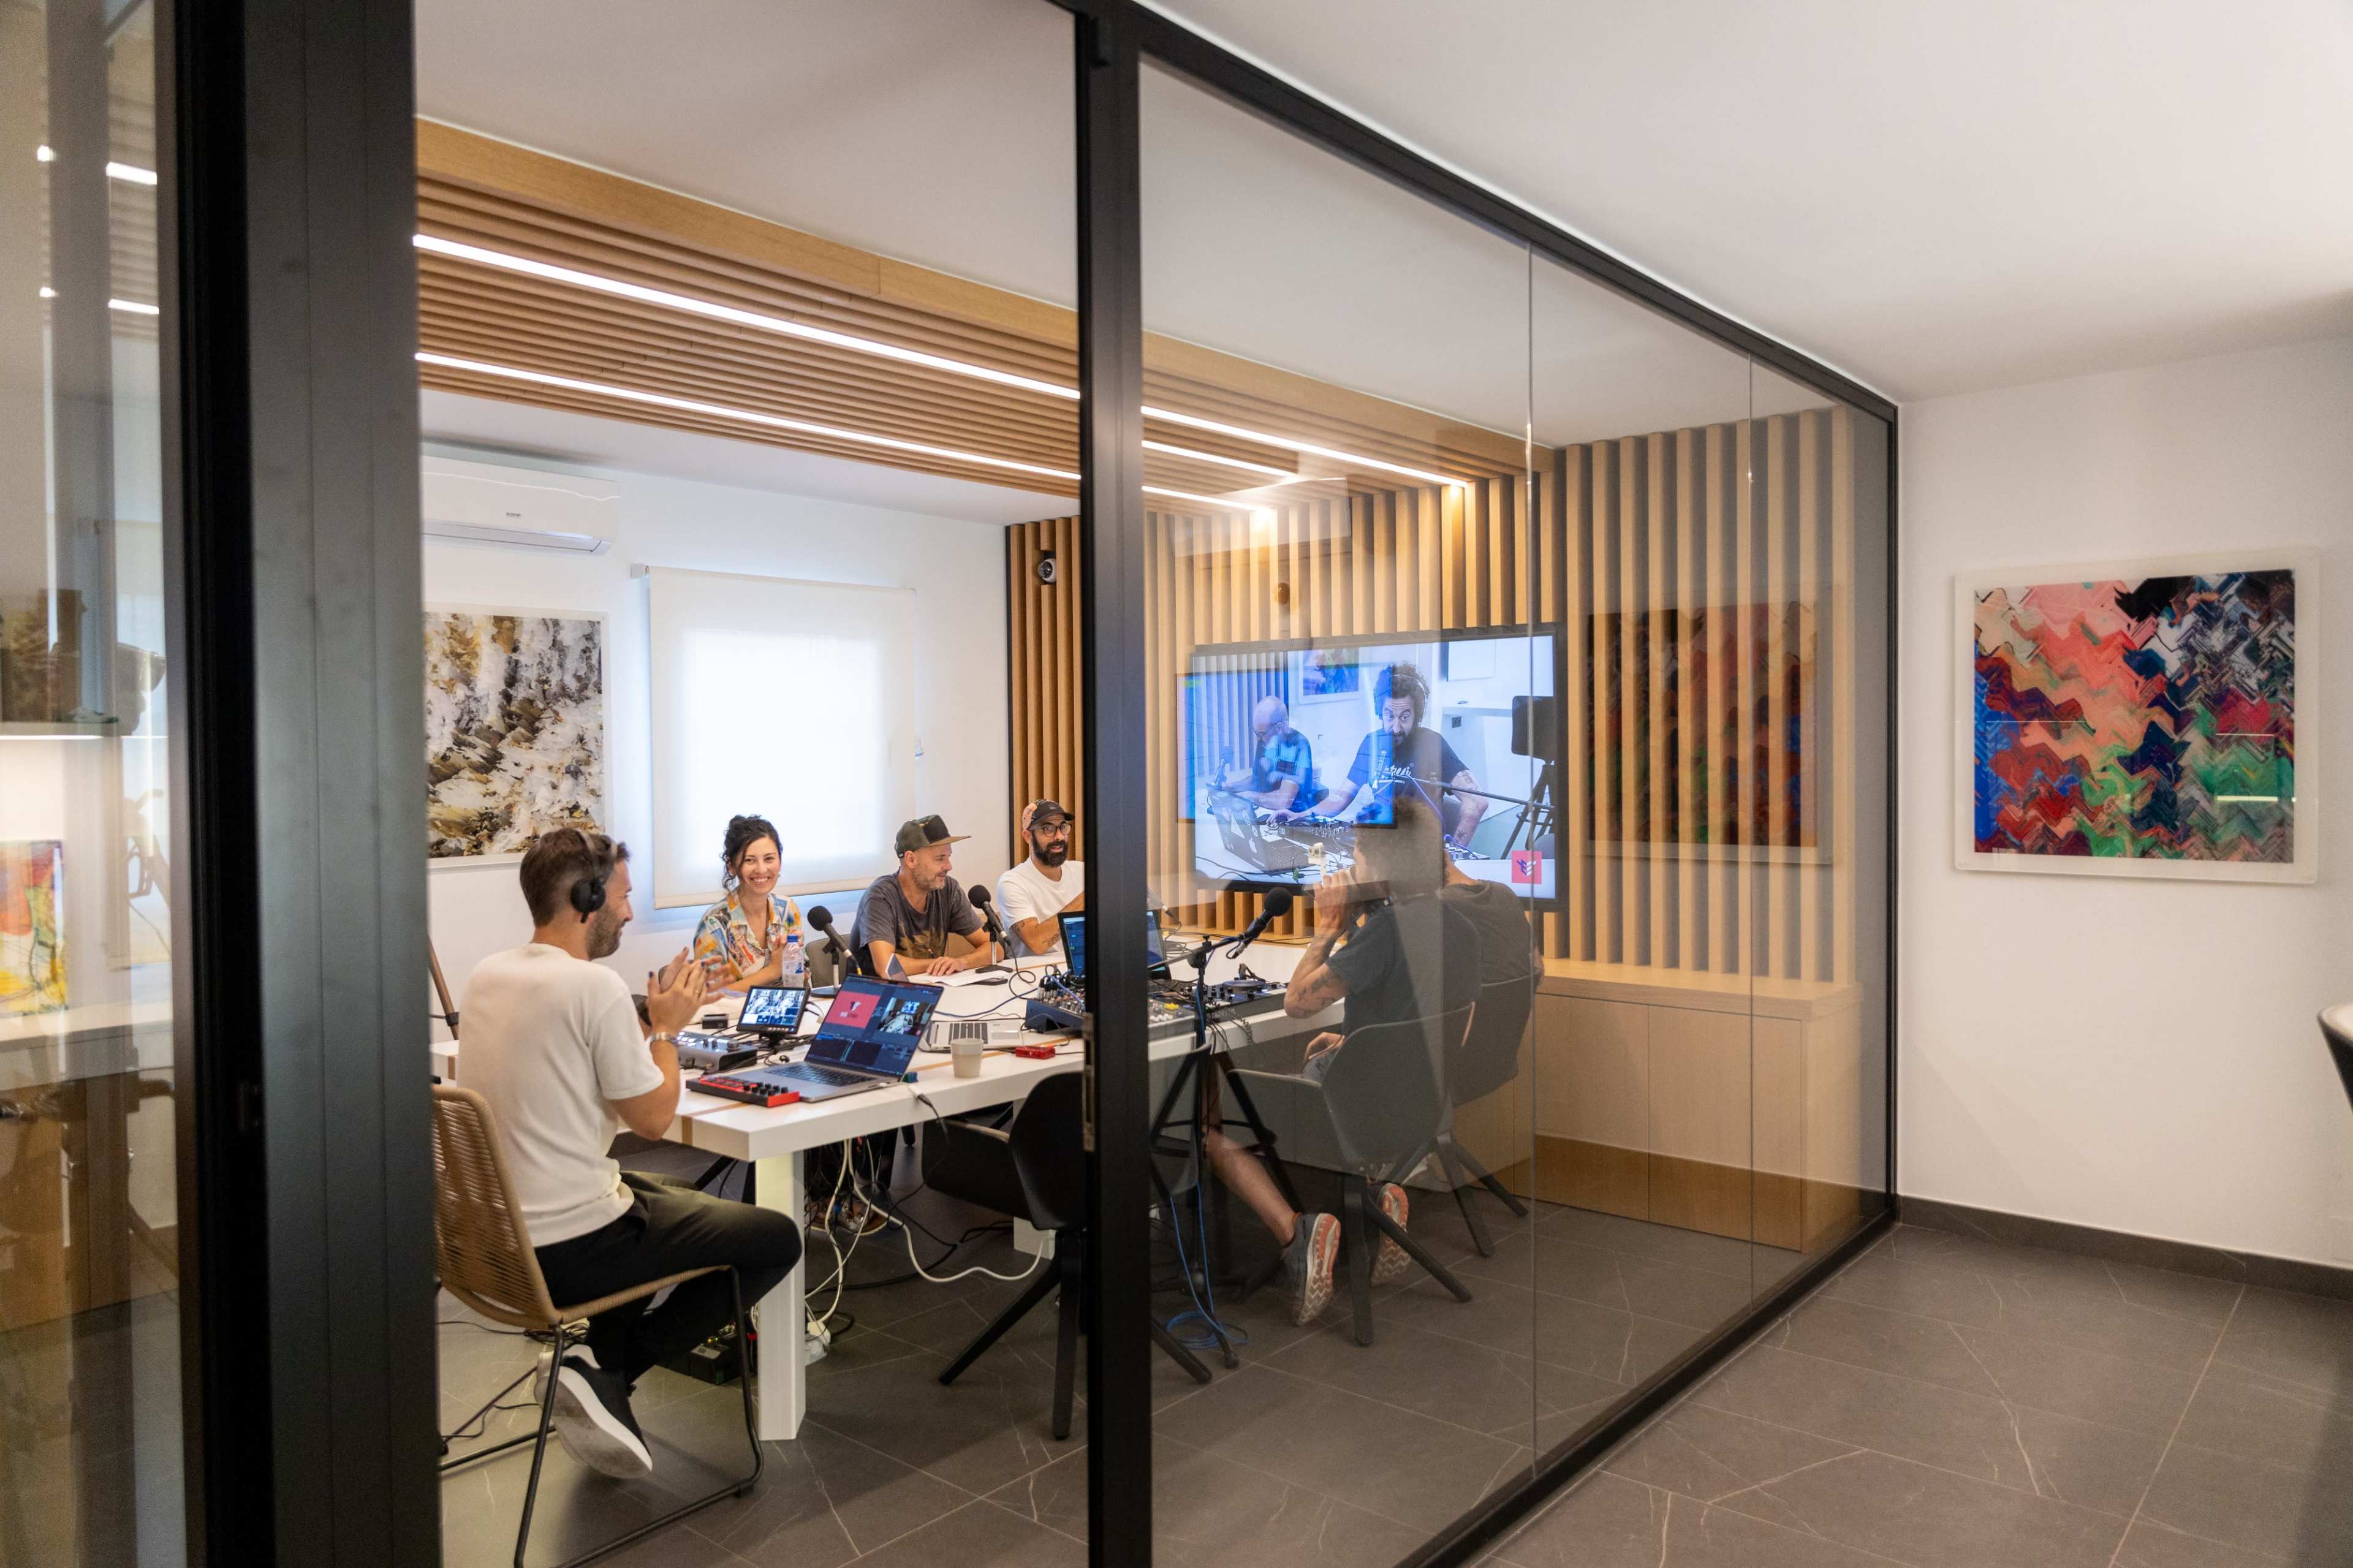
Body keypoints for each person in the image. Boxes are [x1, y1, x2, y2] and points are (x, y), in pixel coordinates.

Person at [460, 828, 803, 1479]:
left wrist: (650, 1019)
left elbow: (573, 1042)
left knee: (653, 1193)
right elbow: (652, 1118)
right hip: (571, 1249)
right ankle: (608, 1371)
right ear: (587, 899)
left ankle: (595, 1370)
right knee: (775, 1239)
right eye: (621, 896)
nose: (629, 911)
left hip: (497, 1239)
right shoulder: (593, 989)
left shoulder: (490, 974)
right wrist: (668, 1029)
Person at [1203, 795, 1483, 1325]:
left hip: (1352, 1109)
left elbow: (1297, 1001)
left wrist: (1329, 925)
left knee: (1213, 1120)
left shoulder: (1386, 930)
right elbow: (1450, 1030)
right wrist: (1354, 1040)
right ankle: (1376, 1200)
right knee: (1307, 1066)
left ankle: (1296, 1231)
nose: (1351, 862)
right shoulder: (1461, 927)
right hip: (1421, 1104)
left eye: (1356, 851)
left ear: (1381, 864)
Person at [1282, 662, 1488, 846]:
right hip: (1379, 846)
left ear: (1418, 714)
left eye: (1405, 717)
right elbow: (1342, 796)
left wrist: (1455, 854)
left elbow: (1477, 802)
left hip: (1418, 855)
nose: (1396, 727)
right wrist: (1300, 815)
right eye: (1389, 716)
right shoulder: (1371, 743)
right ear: (1379, 711)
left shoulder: (1432, 744)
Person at [854, 814, 998, 979]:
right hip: (876, 998)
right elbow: (886, 967)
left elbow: (995, 949)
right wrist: (938, 964)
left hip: (928, 990)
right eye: (940, 858)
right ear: (911, 860)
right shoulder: (880, 897)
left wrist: (961, 962)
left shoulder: (948, 889)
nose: (949, 866)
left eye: (948, 857)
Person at [691, 812, 806, 990]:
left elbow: (802, 978)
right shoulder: (715, 923)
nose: (761, 869)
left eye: (769, 859)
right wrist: (773, 970)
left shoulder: (787, 910)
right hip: (735, 1017)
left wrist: (797, 966)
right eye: (750, 860)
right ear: (732, 867)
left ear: (780, 862)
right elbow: (710, 996)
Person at [997, 798, 1085, 961]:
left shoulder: (1082, 871)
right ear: (1028, 836)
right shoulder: (1012, 882)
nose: (1059, 836)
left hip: (1081, 971)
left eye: (1063, 827)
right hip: (1032, 979)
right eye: (1048, 829)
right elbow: (1037, 943)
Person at [1217, 695, 1316, 813]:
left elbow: (1283, 802)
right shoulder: (1265, 740)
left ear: (1279, 728)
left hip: (1294, 820)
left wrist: (1248, 796)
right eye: (1256, 732)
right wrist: (1228, 787)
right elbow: (1256, 781)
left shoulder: (1299, 745)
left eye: (1261, 734)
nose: (1257, 739)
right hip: (1267, 813)